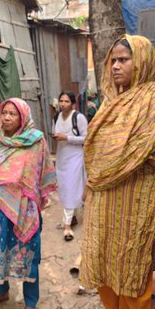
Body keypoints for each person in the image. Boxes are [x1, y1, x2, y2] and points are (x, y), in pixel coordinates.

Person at [80, 35, 155, 309]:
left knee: (132, 263)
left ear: (141, 61)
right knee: (106, 261)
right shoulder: (110, 102)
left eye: (123, 60)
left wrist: (104, 167)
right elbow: (98, 151)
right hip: (104, 202)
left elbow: (131, 151)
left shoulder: (154, 99)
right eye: (113, 61)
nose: (116, 66)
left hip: (134, 199)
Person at [0, 98, 57, 309]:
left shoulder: (36, 141)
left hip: (25, 209)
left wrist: (38, 194)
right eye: (4, 113)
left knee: (27, 253)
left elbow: (43, 170)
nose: (7, 118)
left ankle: (31, 303)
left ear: (22, 117)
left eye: (13, 114)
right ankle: (2, 291)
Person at [52, 91, 88, 242]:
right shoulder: (56, 117)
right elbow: (55, 133)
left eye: (66, 101)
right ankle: (72, 218)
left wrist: (66, 137)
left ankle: (67, 226)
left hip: (75, 158)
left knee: (72, 188)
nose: (63, 104)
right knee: (64, 188)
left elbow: (86, 138)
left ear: (72, 103)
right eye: (61, 101)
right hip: (62, 158)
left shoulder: (78, 118)